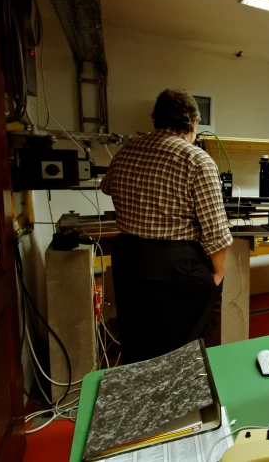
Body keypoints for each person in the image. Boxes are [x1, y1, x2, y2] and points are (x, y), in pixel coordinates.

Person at [101, 89, 232, 364]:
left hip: (128, 258)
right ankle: (177, 403)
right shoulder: (197, 160)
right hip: (175, 266)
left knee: (137, 342)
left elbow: (107, 187)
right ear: (193, 122)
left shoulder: (126, 152)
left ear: (156, 118)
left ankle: (138, 400)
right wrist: (217, 275)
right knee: (180, 349)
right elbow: (216, 232)